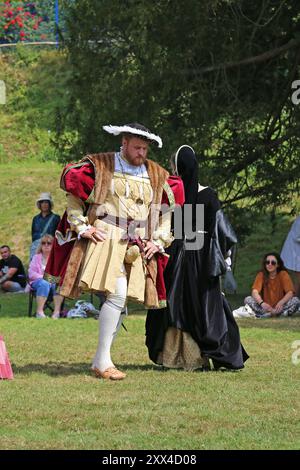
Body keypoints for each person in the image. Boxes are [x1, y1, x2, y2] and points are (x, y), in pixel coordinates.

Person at [45, 122, 184, 380]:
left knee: (120, 303)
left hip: (138, 243)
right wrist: (82, 226)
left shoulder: (156, 174)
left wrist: (160, 240)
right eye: (137, 147)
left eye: (145, 148)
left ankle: (101, 359)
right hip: (106, 237)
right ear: (124, 143)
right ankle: (103, 361)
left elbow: (166, 213)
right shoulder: (101, 165)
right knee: (117, 294)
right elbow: (75, 199)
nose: (142, 153)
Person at [146, 145, 248, 371]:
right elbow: (220, 233)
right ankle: (197, 357)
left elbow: (163, 224)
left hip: (176, 255)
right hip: (199, 257)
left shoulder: (173, 193)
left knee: (176, 304)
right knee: (202, 306)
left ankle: (175, 357)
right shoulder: (208, 195)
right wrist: (225, 265)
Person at [244, 252, 300, 318]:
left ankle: (269, 314)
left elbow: (290, 292)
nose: (270, 264)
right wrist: (262, 303)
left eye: (273, 263)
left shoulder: (283, 274)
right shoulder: (261, 274)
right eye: (267, 262)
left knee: (296, 300)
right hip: (265, 308)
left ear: (278, 265)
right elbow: (254, 292)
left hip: (280, 307)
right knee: (247, 299)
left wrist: (281, 303)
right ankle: (278, 314)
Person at [28, 234, 64, 319]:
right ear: (41, 245)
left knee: (58, 284)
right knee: (44, 283)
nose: (46, 245)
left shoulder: (57, 259)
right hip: (38, 282)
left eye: (49, 243)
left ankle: (56, 312)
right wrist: (45, 278)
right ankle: (39, 312)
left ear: (53, 245)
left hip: (54, 282)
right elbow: (31, 273)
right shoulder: (36, 257)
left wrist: (52, 279)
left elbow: (61, 274)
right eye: (43, 243)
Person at [30, 192, 60, 260]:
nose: (44, 204)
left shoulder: (56, 218)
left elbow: (58, 235)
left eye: (46, 202)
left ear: (49, 204)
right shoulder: (35, 219)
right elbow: (33, 236)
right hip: (36, 249)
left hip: (50, 248)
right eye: (42, 202)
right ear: (39, 204)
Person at [280, 216, 300, 297]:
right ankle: (292, 300)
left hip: (297, 252)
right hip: (294, 251)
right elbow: (296, 236)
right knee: (298, 278)